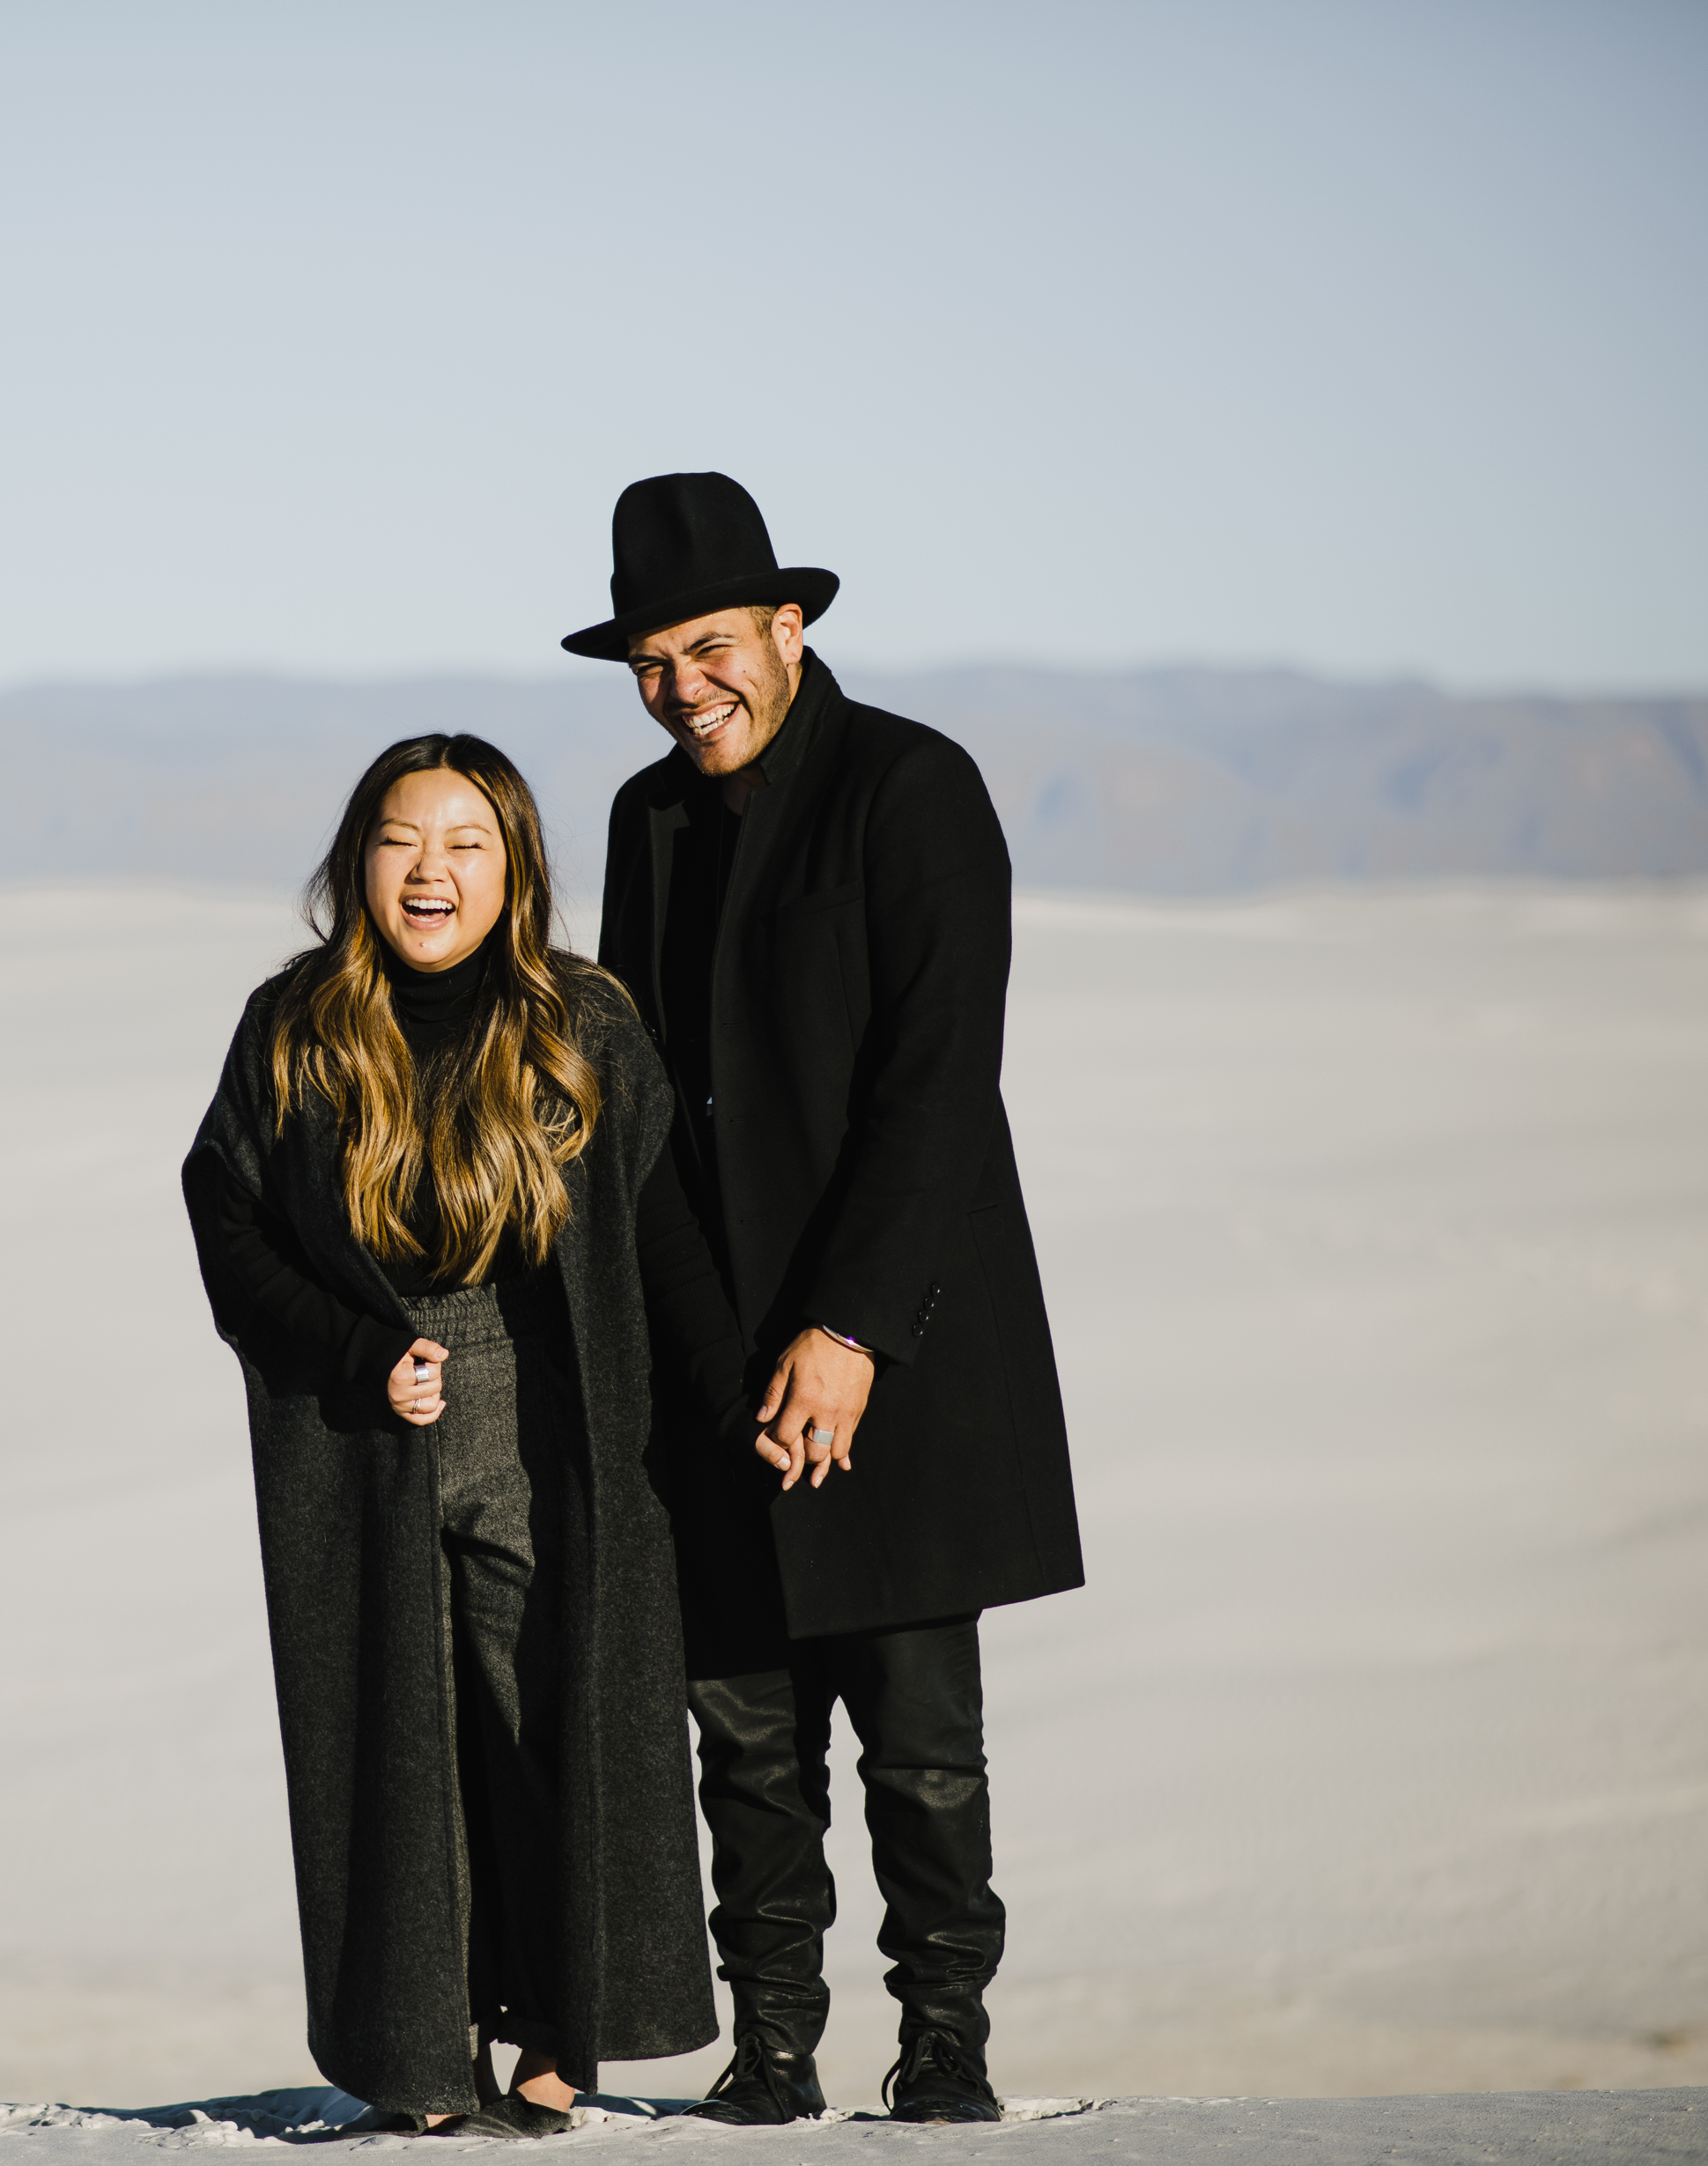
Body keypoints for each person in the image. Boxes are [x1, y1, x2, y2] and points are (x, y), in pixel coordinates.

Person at [566, 473, 1085, 2125]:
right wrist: (713, 1360)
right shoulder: (645, 822)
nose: (683, 686)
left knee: (922, 1747)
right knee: (749, 1742)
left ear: (789, 629)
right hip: (717, 1357)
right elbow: (637, 1105)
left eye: (710, 645)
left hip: (901, 1349)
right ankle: (773, 2050)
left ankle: (946, 2050)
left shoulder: (911, 788)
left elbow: (936, 1086)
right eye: (651, 661)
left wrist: (849, 1330)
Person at [181, 734, 750, 2137]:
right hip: (356, 1420)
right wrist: (360, 1353)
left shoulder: (584, 1023)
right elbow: (227, 1218)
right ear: (356, 862)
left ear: (517, 867)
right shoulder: (293, 1026)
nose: (429, 870)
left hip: (547, 1411)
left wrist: (734, 1405)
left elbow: (661, 1237)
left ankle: (562, 2040)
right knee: (392, 1736)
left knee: (545, 1720)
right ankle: (426, 2066)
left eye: (466, 843)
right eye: (398, 839)